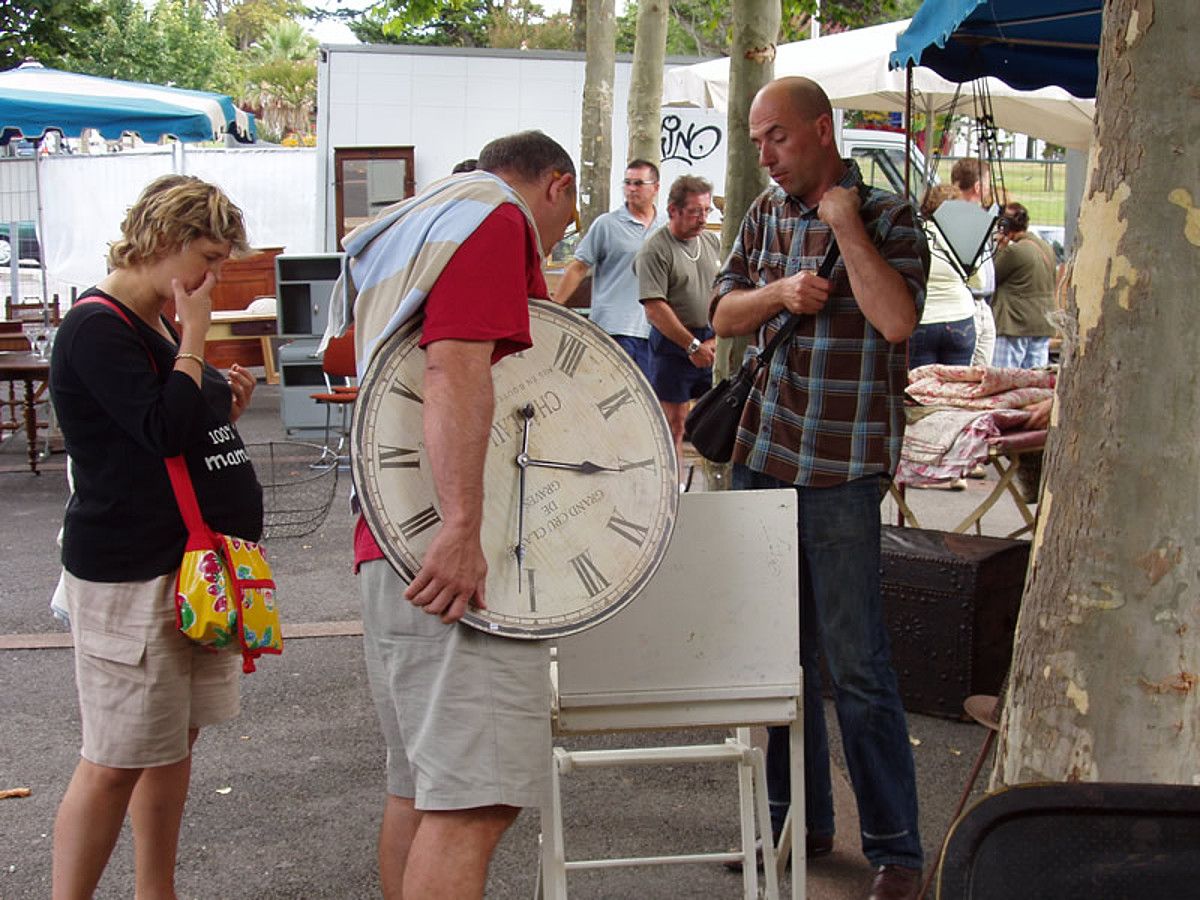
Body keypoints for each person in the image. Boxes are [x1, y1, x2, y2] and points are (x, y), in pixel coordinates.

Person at [344, 131, 578, 900]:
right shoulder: (491, 214)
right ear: (556, 187)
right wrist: (462, 527)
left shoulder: (415, 218)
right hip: (443, 551)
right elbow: (454, 364)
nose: (555, 243)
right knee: (474, 804)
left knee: (421, 790)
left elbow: (360, 360)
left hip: (386, 537)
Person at [710, 77, 926, 900]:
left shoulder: (891, 216)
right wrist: (777, 294)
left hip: (841, 468)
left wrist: (845, 228)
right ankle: (795, 824)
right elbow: (721, 314)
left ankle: (897, 851)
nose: (765, 154)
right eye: (757, 139)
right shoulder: (763, 214)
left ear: (823, 129)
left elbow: (898, 321)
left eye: (777, 137)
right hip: (761, 455)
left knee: (857, 662)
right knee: (775, 658)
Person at [48, 175, 262, 898]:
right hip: (129, 569)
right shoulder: (97, 326)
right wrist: (196, 339)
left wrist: (219, 399)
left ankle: (155, 889)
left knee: (172, 742)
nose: (211, 276)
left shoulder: (155, 323)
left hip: (188, 566)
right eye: (205, 255)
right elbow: (157, 428)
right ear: (166, 242)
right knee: (115, 757)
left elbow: (180, 424)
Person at [635, 174, 721, 485]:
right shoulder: (655, 250)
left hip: (712, 339)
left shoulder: (711, 242)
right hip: (674, 347)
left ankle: (717, 482)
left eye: (706, 211)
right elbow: (655, 308)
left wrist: (714, 339)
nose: (702, 219)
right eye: (695, 212)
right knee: (674, 422)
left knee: (720, 416)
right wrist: (692, 345)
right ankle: (673, 487)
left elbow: (722, 291)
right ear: (673, 210)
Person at [550, 159, 665, 378]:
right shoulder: (607, 224)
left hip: (655, 332)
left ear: (656, 187)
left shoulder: (667, 227)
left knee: (649, 405)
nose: (631, 189)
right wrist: (555, 305)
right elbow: (579, 266)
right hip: (613, 329)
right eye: (627, 183)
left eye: (639, 183)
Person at [910, 184, 976, 369]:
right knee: (957, 389)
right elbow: (979, 279)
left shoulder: (916, 233)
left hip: (924, 318)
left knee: (921, 390)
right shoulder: (964, 235)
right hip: (961, 316)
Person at [992, 202, 1057, 369]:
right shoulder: (1046, 247)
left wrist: (999, 248)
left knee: (1004, 380)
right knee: (1035, 382)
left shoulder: (1014, 252)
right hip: (1042, 323)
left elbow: (991, 277)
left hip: (1015, 325)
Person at [949, 158, 996, 366]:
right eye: (987, 183)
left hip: (981, 303)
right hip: (968, 304)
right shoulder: (959, 219)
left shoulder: (978, 217)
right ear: (978, 187)